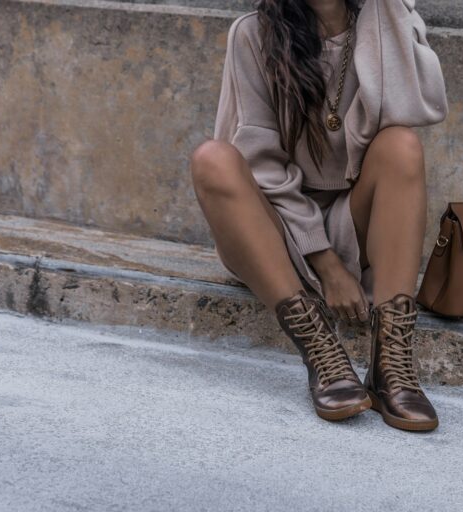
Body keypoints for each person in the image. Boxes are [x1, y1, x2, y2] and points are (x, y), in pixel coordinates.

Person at [190, 0, 448, 431]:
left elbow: (422, 107)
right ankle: (320, 348)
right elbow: (260, 165)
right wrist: (325, 263)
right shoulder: (254, 34)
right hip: (275, 231)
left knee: (401, 145)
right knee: (212, 158)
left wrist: (389, 14)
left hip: (355, 220)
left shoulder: (381, 21)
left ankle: (392, 365)